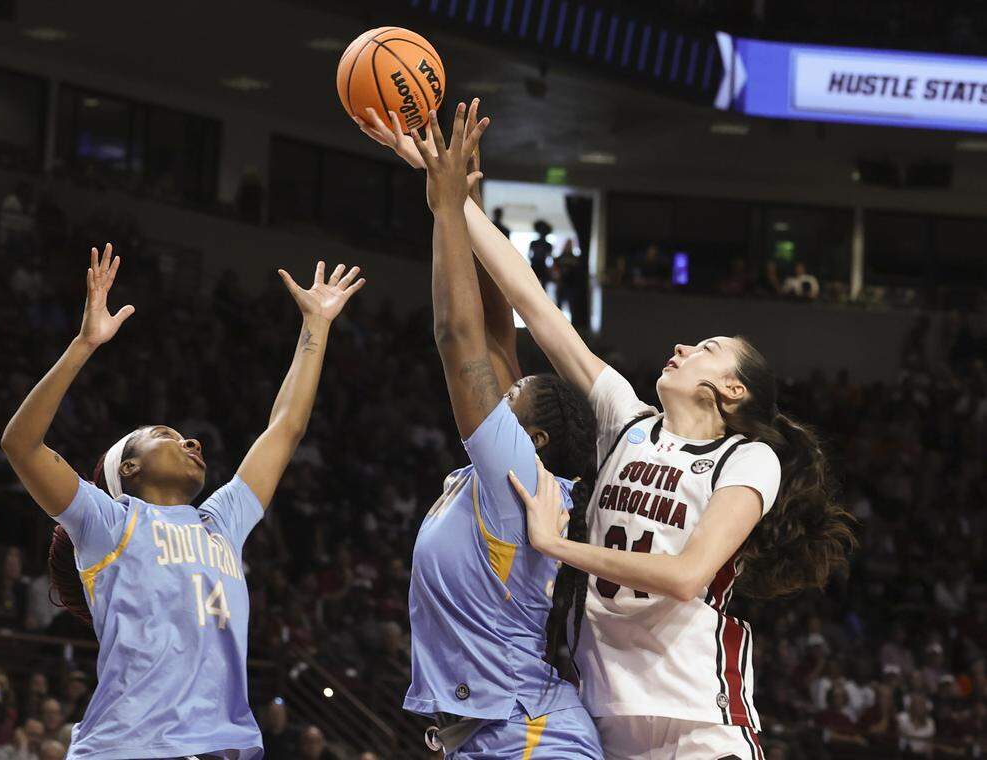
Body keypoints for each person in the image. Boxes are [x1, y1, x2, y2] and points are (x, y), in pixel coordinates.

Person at [352, 99, 857, 760]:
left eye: (705, 347)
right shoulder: (625, 421)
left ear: (731, 389)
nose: (682, 346)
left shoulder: (748, 456)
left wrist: (556, 546)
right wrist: (448, 192)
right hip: (604, 710)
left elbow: (686, 575)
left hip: (695, 714)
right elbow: (531, 299)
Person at [0, 243, 364, 759]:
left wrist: (316, 327)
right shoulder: (108, 521)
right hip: (130, 749)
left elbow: (285, 428)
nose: (191, 441)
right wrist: (84, 344)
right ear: (129, 467)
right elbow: (21, 445)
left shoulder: (221, 521)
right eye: (165, 434)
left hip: (221, 747)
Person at [400, 102, 602, 758]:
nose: (499, 383)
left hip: (528, 735)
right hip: (492, 733)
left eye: (513, 391)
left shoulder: (519, 473)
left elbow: (457, 337)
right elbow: (491, 333)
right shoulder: (517, 474)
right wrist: (469, 199)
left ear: (535, 436)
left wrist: (444, 210)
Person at [527, 220, 553, 287]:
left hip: (541, 266)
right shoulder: (534, 243)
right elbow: (529, 254)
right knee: (532, 285)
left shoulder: (548, 245)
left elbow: (549, 257)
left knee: (541, 286)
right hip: (536, 265)